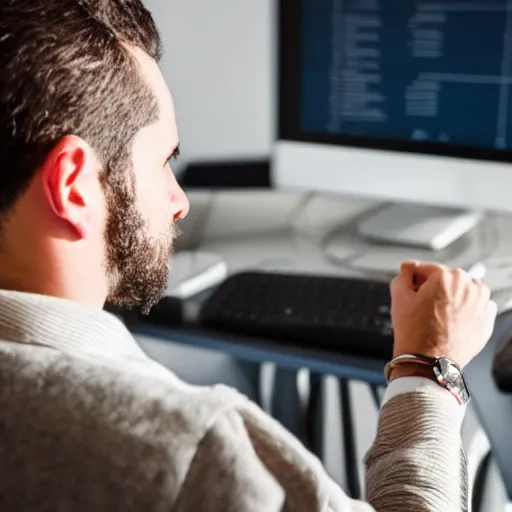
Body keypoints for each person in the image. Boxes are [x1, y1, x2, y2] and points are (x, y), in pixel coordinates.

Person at [0, 1, 497, 511]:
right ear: (74, 187)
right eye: (163, 161)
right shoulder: (188, 449)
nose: (179, 201)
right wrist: (430, 362)